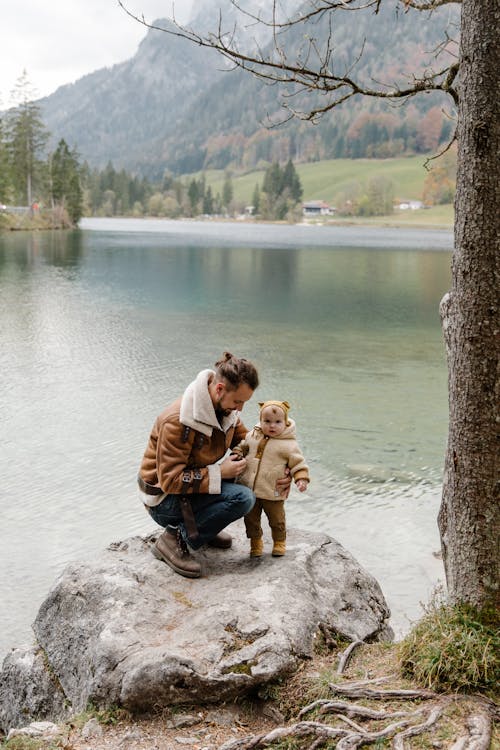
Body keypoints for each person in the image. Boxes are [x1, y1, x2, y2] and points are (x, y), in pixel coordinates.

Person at [137, 353, 290, 578]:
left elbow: (248, 444)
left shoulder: (226, 410)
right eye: (238, 401)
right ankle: (175, 538)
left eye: (245, 402)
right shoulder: (178, 421)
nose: (240, 408)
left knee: (243, 469)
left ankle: (201, 529)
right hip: (163, 499)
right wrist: (219, 472)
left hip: (187, 490)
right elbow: (170, 480)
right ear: (219, 389)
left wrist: (282, 468)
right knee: (243, 498)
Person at [232, 400, 310, 558]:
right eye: (267, 421)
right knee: (251, 519)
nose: (272, 426)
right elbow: (243, 445)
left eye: (277, 422)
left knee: (277, 519)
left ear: (286, 423)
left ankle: (279, 542)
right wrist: (237, 452)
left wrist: (301, 479)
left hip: (273, 491)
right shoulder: (252, 436)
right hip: (250, 489)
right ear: (260, 421)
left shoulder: (289, 445)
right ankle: (255, 543)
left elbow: (298, 463)